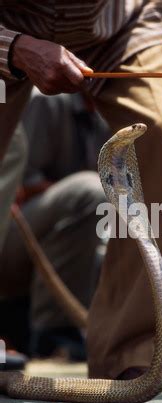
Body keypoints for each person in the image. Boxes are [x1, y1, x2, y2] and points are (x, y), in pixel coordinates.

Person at [0, 1, 162, 379]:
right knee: (88, 195)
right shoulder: (48, 111)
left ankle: (132, 351)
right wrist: (14, 48)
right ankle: (45, 327)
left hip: (116, 23)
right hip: (10, 20)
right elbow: (26, 191)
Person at [0, 90, 110, 358]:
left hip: (59, 232)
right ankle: (54, 335)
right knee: (91, 194)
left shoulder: (105, 115)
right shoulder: (45, 100)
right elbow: (23, 183)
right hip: (15, 233)